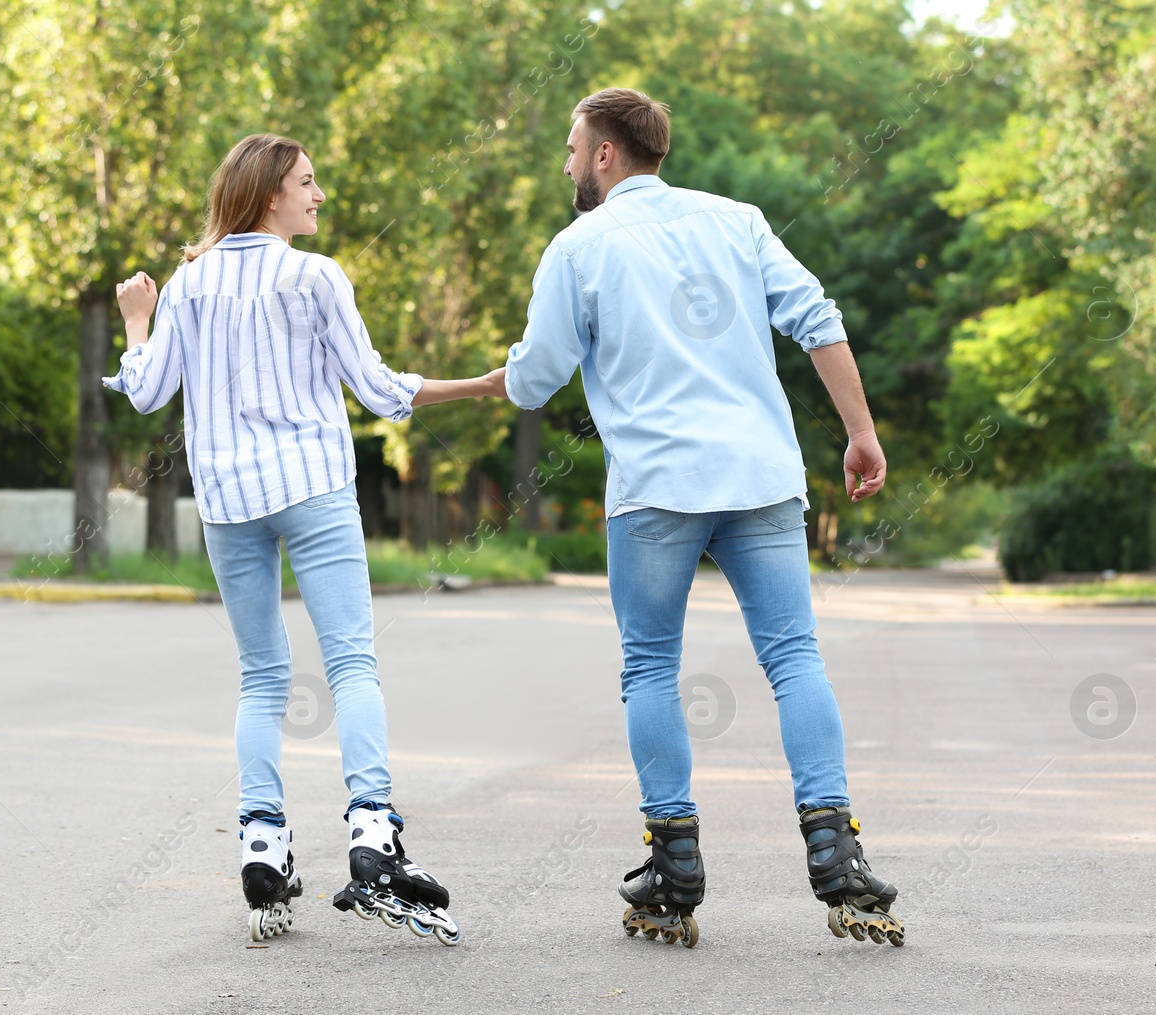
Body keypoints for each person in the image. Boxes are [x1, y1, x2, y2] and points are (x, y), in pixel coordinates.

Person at [501, 89, 904, 949]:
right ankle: (837, 851)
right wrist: (861, 432)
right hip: (759, 474)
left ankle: (674, 859)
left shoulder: (578, 247)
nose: (568, 164)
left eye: (573, 149)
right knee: (794, 656)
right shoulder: (738, 220)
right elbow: (817, 318)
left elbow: (534, 379)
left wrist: (509, 364)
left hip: (655, 488)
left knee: (649, 664)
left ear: (606, 154)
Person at [104, 133, 501, 946]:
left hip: (227, 501)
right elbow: (382, 389)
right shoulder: (316, 276)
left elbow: (144, 393)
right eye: (309, 183)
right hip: (314, 490)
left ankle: (261, 837)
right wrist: (483, 385)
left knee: (261, 675)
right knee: (351, 660)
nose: (320, 195)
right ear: (269, 194)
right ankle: (371, 829)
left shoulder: (188, 284)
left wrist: (137, 322)